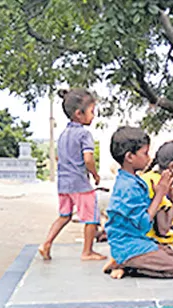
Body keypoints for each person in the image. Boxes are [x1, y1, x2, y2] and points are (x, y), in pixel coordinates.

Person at [102, 128, 173, 279]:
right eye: (145, 153)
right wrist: (160, 194)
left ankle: (126, 262)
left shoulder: (135, 181)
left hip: (139, 241)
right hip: (127, 245)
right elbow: (143, 223)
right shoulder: (127, 187)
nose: (149, 158)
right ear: (129, 157)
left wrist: (168, 198)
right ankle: (125, 264)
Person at [38, 88, 106, 262]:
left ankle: (46, 243)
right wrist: (95, 175)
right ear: (79, 114)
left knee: (64, 216)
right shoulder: (84, 134)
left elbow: (58, 157)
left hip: (63, 183)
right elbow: (88, 159)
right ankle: (87, 252)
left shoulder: (63, 135)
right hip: (80, 184)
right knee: (91, 217)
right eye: (92, 111)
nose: (94, 115)